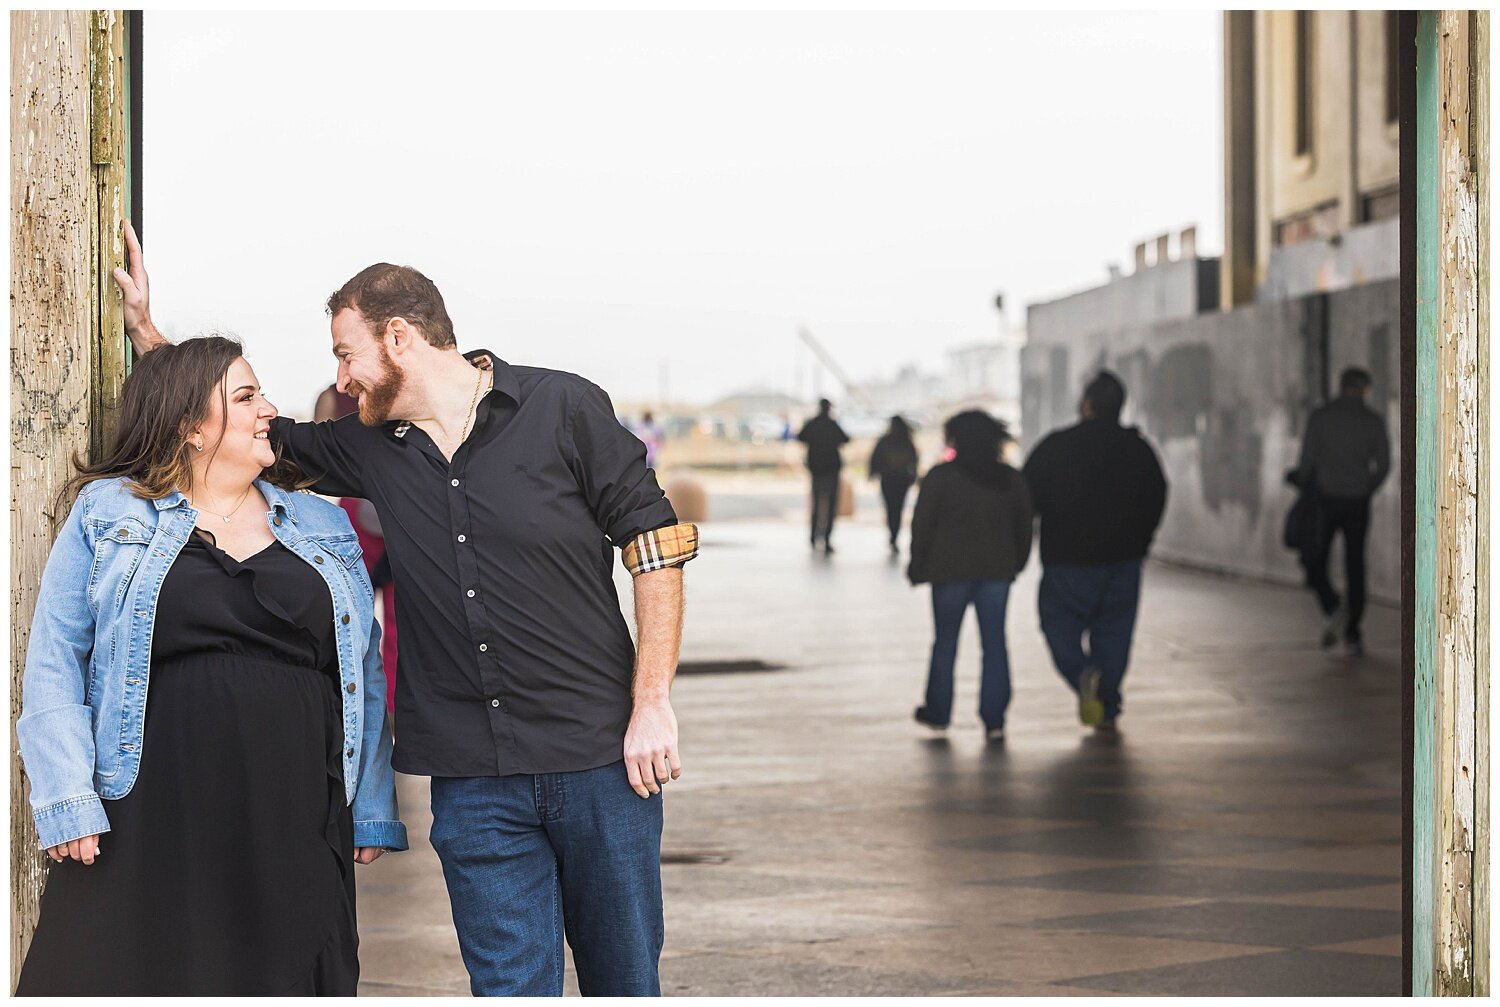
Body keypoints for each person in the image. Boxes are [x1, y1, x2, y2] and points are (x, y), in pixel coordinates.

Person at [116, 223, 698, 998]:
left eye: (345, 353)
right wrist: (151, 335)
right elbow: (239, 431)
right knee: (509, 990)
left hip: (600, 761)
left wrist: (653, 701)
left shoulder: (563, 407)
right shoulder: (369, 445)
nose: (342, 376)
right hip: (472, 782)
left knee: (625, 983)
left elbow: (654, 540)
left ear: (398, 338)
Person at [15, 337, 406, 995]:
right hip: (145, 805)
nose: (270, 410)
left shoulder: (319, 520)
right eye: (247, 396)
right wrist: (67, 794)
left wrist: (370, 803)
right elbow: (56, 655)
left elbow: (360, 668)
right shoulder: (111, 510)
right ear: (191, 427)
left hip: (292, 809)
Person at [1022, 370, 1167, 733]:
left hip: (1067, 559)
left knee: (1059, 627)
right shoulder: (1138, 448)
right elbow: (1157, 495)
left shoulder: (1056, 447)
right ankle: (1108, 704)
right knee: (1115, 633)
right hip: (1123, 559)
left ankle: (1083, 674)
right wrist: (1142, 540)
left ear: (1085, 405)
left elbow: (1027, 496)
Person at [908, 411, 1033, 741]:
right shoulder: (1010, 479)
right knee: (994, 644)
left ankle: (938, 712)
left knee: (945, 643)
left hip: (948, 573)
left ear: (955, 440)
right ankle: (994, 719)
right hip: (996, 572)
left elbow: (922, 525)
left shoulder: (940, 478)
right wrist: (1016, 563)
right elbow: (1024, 527)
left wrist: (917, 564)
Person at [1295, 366, 1391, 656]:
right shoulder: (1372, 421)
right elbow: (1384, 464)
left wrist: (1304, 483)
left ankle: (1333, 607)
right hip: (1357, 501)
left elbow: (1306, 460)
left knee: (1315, 559)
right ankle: (1352, 633)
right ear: (1364, 388)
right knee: (1355, 564)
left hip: (1325, 499)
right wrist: (1367, 486)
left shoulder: (1321, 417)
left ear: (1341, 385)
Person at [316, 383, 401, 712]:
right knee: (347, 614)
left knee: (401, 622)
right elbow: (320, 456)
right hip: (356, 514)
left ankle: (394, 709)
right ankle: (346, 702)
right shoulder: (332, 397)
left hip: (395, 512)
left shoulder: (400, 390)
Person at [797, 398, 849, 553]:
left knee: (817, 506)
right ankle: (825, 538)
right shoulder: (831, 424)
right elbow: (845, 439)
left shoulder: (813, 424)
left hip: (818, 471)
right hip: (830, 472)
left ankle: (814, 537)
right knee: (830, 507)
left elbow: (801, 437)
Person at [869, 415, 919, 554]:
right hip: (900, 479)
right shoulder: (905, 441)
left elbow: (875, 458)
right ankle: (894, 535)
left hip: (890, 479)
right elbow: (914, 460)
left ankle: (893, 534)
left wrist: (874, 472)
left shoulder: (886, 441)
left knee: (891, 508)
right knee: (897, 508)